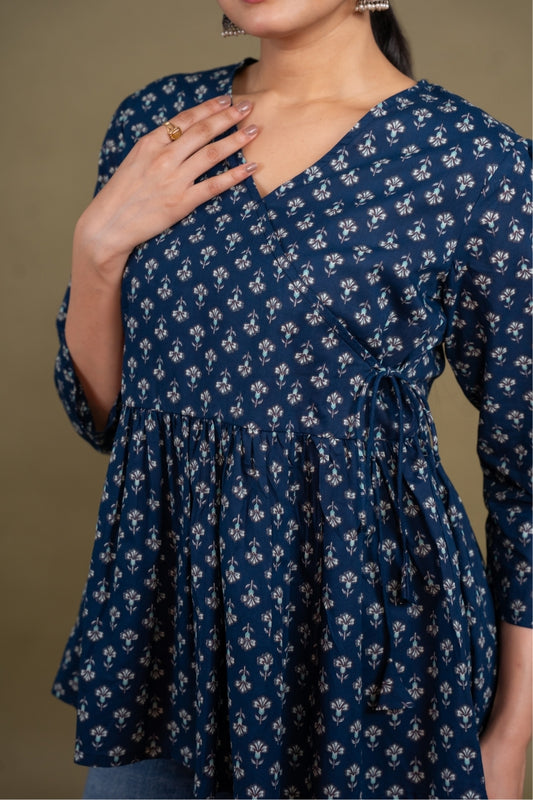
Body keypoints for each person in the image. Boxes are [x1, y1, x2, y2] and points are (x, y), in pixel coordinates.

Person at [52, 1, 532, 798]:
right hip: (161, 628)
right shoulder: (160, 122)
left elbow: (527, 470)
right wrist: (97, 247)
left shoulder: (474, 162)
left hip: (364, 648)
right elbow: (106, 420)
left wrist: (512, 732)